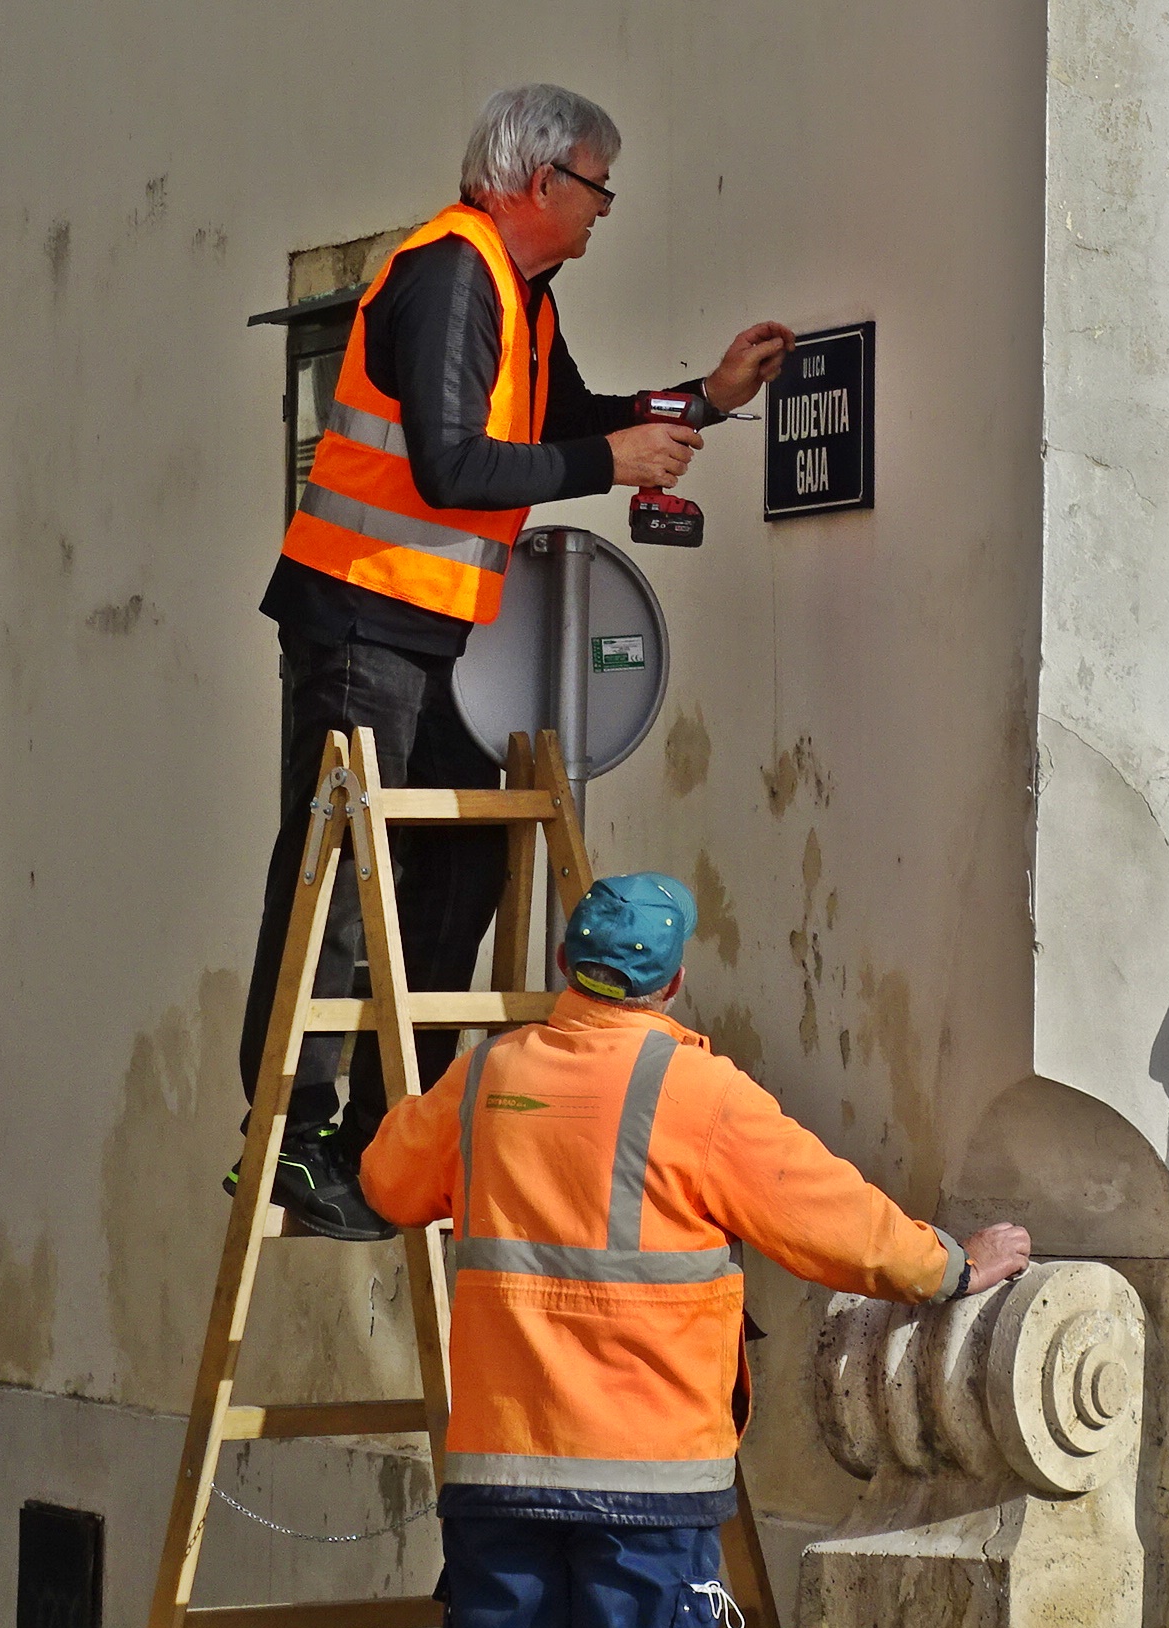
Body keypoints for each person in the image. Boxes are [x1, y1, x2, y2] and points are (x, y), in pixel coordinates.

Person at [233, 84, 798, 1238]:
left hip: (439, 633)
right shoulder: (450, 273)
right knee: (343, 875)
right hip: (359, 618)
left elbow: (571, 415)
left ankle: (391, 1135)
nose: (604, 213)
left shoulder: (519, 295)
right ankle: (290, 1139)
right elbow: (454, 466)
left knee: (467, 864)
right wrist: (610, 457)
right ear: (539, 181)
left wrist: (706, 397)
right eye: (598, 188)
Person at [360, 873, 1034, 1628]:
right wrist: (949, 1267)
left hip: (500, 1480)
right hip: (647, 1488)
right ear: (674, 982)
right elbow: (832, 1219)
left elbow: (387, 1182)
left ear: (562, 962)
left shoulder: (484, 1078)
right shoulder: (699, 1094)